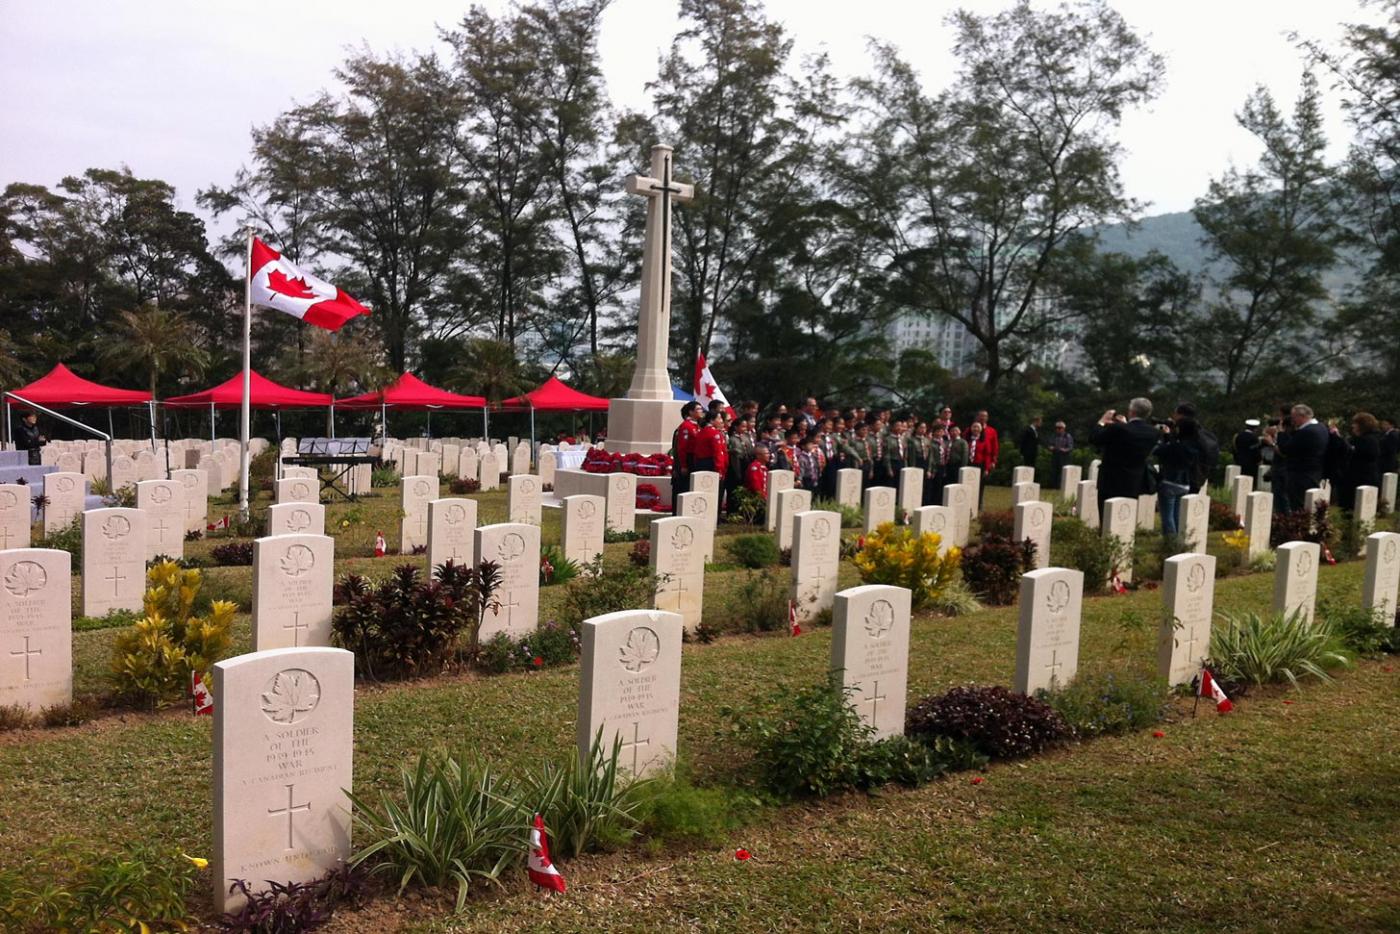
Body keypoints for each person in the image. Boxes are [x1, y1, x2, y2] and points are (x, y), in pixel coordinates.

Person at [1089, 398, 1161, 518]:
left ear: (1131, 411)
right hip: (1134, 480)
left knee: (1107, 518)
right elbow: (1132, 434)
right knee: (1125, 517)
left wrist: (1102, 420)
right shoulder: (1153, 432)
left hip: (1110, 479)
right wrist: (1125, 424)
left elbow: (1094, 438)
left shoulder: (1117, 428)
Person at [1273, 404, 1329, 513]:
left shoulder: (1306, 432)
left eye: (1294, 417)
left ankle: (1299, 529)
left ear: (1301, 416)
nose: (1292, 421)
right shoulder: (1321, 427)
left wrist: (1280, 433)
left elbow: (1285, 449)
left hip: (1300, 474)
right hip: (1314, 472)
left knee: (1299, 506)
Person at [1155, 417, 1201, 537]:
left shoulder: (1177, 445)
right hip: (1185, 483)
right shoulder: (1194, 446)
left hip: (1170, 482)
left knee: (1167, 517)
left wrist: (1165, 437)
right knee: (1177, 515)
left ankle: (1171, 543)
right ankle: (1179, 540)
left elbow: (1159, 451)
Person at [1336, 412, 1382, 512]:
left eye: (1355, 423)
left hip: (1361, 478)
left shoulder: (1368, 440)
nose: (1353, 426)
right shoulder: (1361, 439)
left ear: (1362, 426)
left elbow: (1359, 454)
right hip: (1356, 477)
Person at [670, 401, 703, 513]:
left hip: (693, 459)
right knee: (682, 487)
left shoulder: (696, 425)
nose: (701, 411)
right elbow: (682, 448)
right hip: (686, 460)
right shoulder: (686, 426)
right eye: (698, 409)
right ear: (691, 412)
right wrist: (683, 465)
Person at [968, 421, 994, 508]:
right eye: (974, 427)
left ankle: (978, 504)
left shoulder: (984, 441)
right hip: (968, 464)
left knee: (980, 486)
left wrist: (986, 468)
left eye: (977, 427)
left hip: (979, 465)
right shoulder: (967, 439)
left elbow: (987, 455)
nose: (975, 429)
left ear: (981, 429)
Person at [1048, 421, 1074, 487]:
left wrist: (1064, 450)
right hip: (1055, 454)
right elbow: (1050, 444)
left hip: (1064, 456)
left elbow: (1070, 447)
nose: (1058, 429)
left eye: (1060, 428)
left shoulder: (1067, 436)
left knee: (1062, 472)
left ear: (1063, 428)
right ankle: (1054, 486)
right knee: (1054, 471)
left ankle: (1061, 486)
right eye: (1057, 428)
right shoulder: (1053, 436)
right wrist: (1051, 447)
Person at [973, 411, 999, 478]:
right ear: (977, 417)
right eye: (981, 416)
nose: (983, 418)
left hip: (985, 461)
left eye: (985, 416)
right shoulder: (971, 429)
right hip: (972, 460)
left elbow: (995, 447)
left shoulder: (992, 431)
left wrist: (993, 461)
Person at [1017, 416, 1042, 481]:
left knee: (1032, 467)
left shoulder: (1036, 431)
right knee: (1027, 467)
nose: (1040, 424)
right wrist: (1022, 452)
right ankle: (1026, 480)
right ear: (1035, 422)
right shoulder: (1027, 430)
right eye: (1039, 422)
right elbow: (1023, 441)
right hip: (1027, 452)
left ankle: (1031, 480)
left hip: (1033, 453)